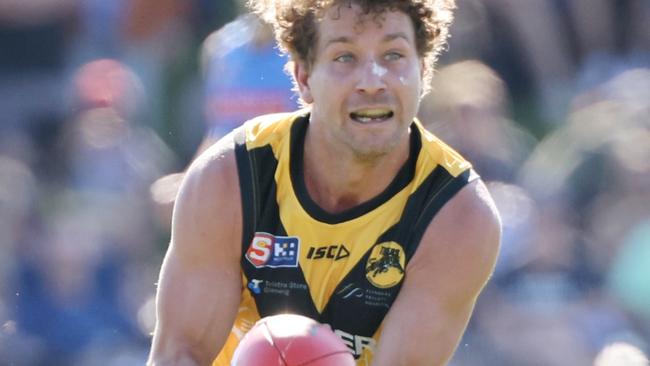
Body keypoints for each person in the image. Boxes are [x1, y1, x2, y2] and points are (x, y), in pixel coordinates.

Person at [148, 0, 501, 365]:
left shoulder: (457, 214)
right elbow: (179, 355)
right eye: (345, 57)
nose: (372, 81)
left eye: (394, 55)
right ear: (304, 79)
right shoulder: (230, 177)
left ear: (423, 71)